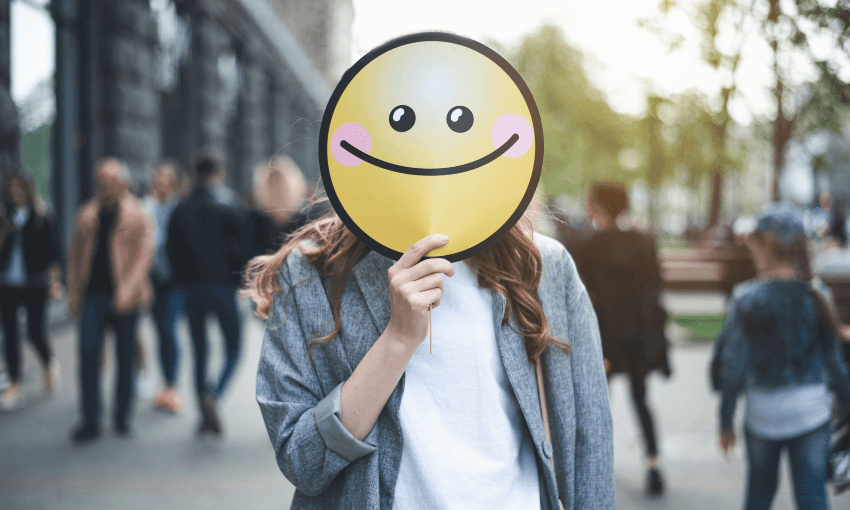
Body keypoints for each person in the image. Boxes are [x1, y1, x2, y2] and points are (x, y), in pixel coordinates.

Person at [245, 207, 615, 509]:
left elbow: (589, 449)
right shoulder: (312, 270)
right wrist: (398, 339)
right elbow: (303, 462)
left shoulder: (541, 267)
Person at [711, 203, 850, 510]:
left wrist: (725, 422)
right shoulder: (818, 295)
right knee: (813, 498)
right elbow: (835, 364)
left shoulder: (746, 298)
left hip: (764, 413)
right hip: (812, 411)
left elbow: (733, 368)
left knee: (759, 496)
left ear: (764, 247)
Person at [576, 182, 671, 496]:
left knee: (600, 405)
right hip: (638, 338)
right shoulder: (643, 241)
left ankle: (595, 470)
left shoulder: (589, 245)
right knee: (641, 400)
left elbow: (584, 295)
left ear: (600, 206)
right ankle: (653, 464)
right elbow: (654, 289)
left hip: (603, 338)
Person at [67, 158, 154, 443]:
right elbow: (75, 257)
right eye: (101, 182)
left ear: (123, 184)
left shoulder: (137, 214)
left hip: (126, 298)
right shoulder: (86, 215)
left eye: (111, 182)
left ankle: (122, 415)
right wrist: (73, 295)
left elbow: (143, 258)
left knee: (125, 357)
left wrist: (127, 292)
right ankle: (90, 419)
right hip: (92, 296)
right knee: (88, 356)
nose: (105, 188)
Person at [167, 149, 247, 435]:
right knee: (234, 349)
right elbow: (243, 247)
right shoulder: (229, 205)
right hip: (224, 288)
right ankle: (213, 395)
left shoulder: (180, 208)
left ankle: (203, 412)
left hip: (192, 290)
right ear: (217, 173)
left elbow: (171, 251)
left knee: (199, 351)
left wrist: (183, 280)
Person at [0, 169, 62, 410]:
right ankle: (15, 383)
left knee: (35, 331)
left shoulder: (43, 215)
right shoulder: (5, 216)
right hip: (7, 283)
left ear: (28, 189)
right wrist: (5, 228)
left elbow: (54, 252)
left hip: (35, 283)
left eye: (20, 188)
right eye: (11, 189)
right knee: (10, 333)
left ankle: (48, 363)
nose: (15, 193)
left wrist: (55, 282)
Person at [142, 161, 185, 412]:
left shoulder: (180, 207)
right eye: (158, 176)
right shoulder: (145, 206)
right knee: (159, 331)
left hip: (175, 280)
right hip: (151, 278)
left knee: (168, 329)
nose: (161, 181)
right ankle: (161, 382)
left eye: (167, 177)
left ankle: (171, 385)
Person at [248, 156, 310, 258]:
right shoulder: (253, 222)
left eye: (282, 186)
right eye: (272, 185)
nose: (278, 192)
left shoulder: (306, 222)